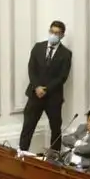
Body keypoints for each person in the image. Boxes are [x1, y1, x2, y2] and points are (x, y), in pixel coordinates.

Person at [19, 20, 73, 152]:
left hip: (53, 97)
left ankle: (54, 157)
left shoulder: (66, 54)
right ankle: (22, 152)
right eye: (52, 32)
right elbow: (31, 69)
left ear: (62, 35)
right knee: (28, 126)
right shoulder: (38, 47)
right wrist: (37, 87)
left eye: (57, 33)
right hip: (34, 94)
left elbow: (62, 77)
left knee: (55, 128)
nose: (53, 35)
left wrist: (46, 89)